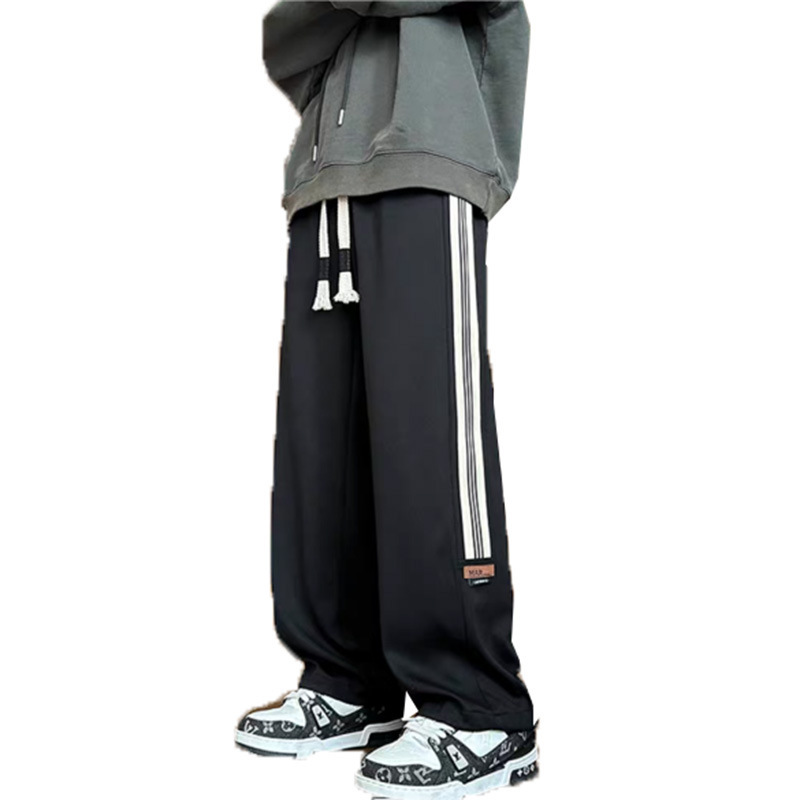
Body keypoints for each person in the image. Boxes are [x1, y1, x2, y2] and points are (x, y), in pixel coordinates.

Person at [236, 2, 538, 796]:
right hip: (325, 175)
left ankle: (481, 710)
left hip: (428, 156)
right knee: (320, 448)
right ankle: (348, 680)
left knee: (427, 436)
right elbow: (283, 37)